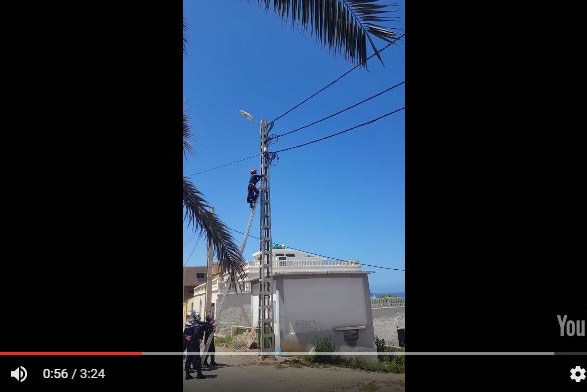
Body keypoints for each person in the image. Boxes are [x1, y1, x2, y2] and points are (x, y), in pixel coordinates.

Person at [183, 311, 205, 380]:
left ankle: (187, 375)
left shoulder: (188, 324)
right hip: (194, 343)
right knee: (197, 358)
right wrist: (190, 337)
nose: (189, 318)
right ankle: (199, 374)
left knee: (189, 358)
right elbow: (196, 333)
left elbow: (184, 333)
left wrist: (187, 337)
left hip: (189, 343)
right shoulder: (195, 324)